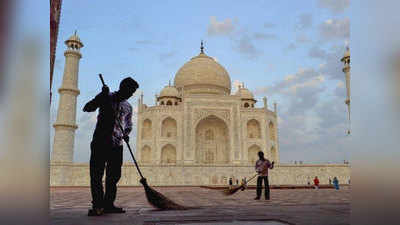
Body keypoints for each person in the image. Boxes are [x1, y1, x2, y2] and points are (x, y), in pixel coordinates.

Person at [83, 77, 139, 216]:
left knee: (113, 176)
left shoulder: (128, 106)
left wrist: (126, 134)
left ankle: (108, 204)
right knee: (96, 175)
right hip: (101, 141)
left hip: (116, 144)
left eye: (133, 92)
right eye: (130, 91)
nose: (131, 94)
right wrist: (102, 96)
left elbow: (128, 124)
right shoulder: (107, 97)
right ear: (123, 87)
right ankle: (97, 205)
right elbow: (88, 107)